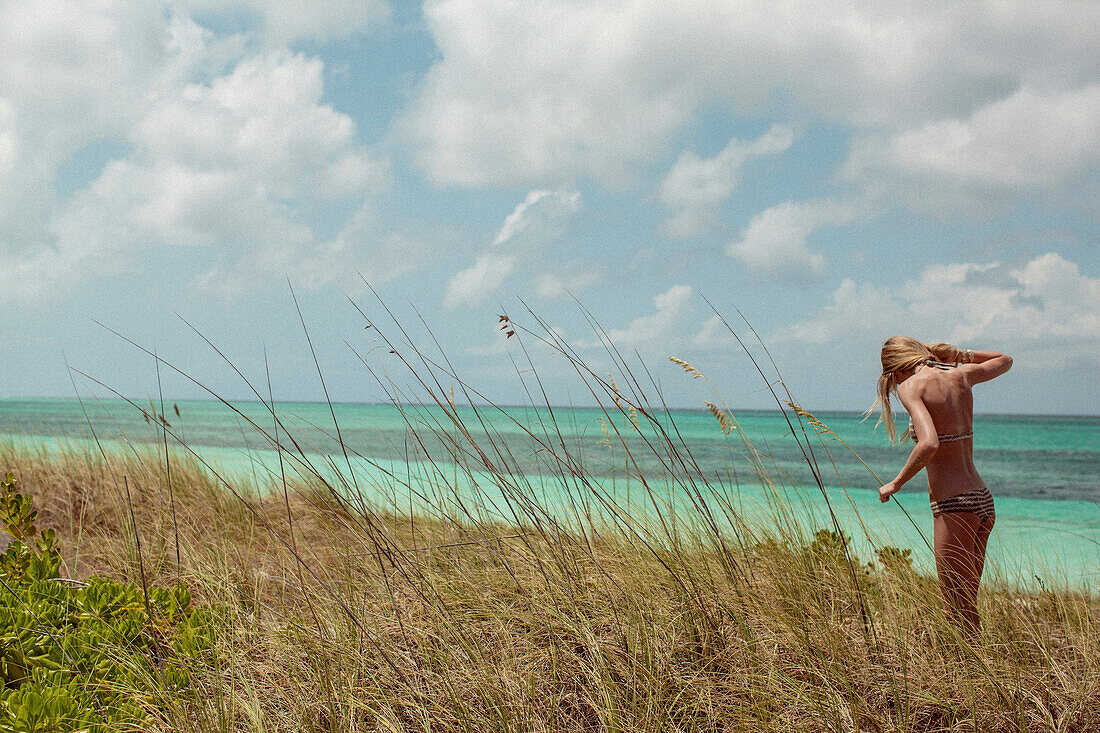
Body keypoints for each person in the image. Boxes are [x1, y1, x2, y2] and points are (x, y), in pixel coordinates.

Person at [869, 337, 1012, 635]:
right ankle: (979, 673)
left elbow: (929, 443)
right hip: (983, 500)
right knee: (967, 604)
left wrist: (895, 483)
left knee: (953, 608)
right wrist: (961, 354)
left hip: (954, 504)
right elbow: (1005, 360)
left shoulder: (913, 387)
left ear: (895, 369)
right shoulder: (960, 374)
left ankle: (963, 677)